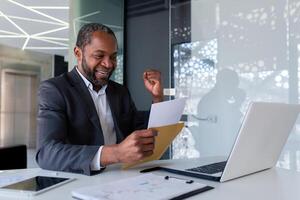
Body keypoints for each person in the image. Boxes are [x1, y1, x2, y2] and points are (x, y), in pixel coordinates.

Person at [36, 23, 163, 175]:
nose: (108, 64)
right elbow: (47, 153)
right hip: (80, 182)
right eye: (99, 56)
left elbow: (139, 131)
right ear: (78, 53)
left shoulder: (120, 91)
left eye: (113, 57)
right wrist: (115, 153)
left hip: (123, 177)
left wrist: (157, 98)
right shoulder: (55, 90)